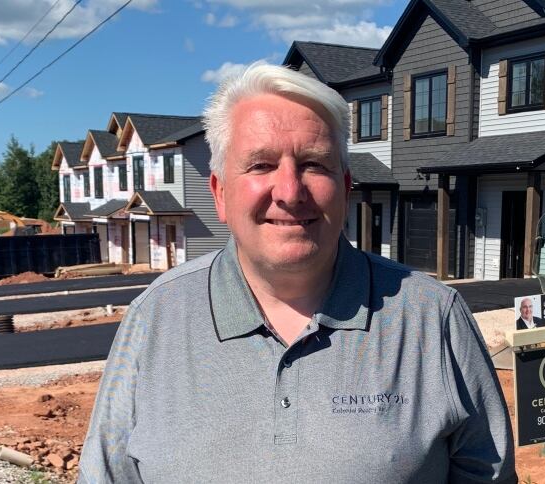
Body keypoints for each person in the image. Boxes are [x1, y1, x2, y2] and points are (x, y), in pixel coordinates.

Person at [78, 63, 516, 483]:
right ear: (221, 193)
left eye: (313, 164)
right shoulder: (155, 318)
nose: (289, 191)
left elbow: (488, 474)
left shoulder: (431, 317)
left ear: (344, 189)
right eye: (261, 165)